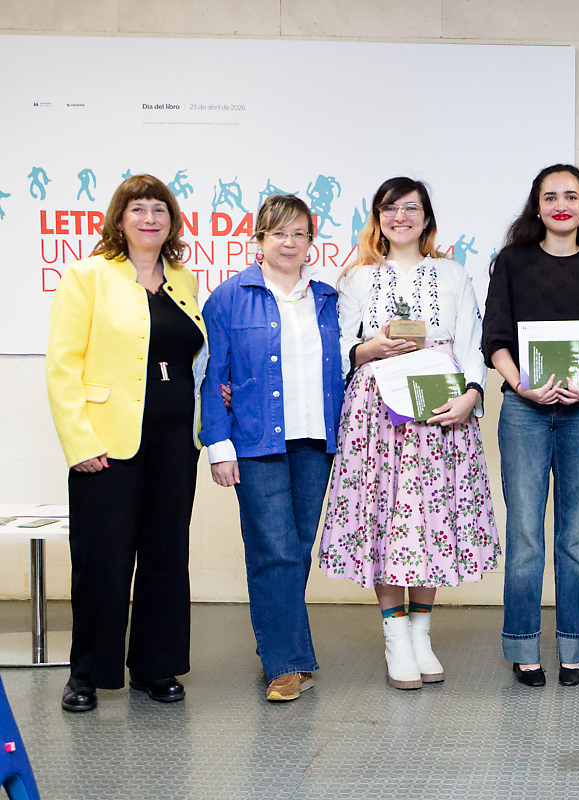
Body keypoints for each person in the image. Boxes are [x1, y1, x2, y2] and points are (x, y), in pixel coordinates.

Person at [318, 177, 498, 690]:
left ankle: (421, 632)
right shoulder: (355, 278)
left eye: (411, 207)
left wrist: (470, 397)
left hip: (440, 409)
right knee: (386, 517)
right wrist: (370, 348)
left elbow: (471, 343)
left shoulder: (452, 273)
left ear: (426, 216)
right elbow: (341, 350)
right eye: (390, 208)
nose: (401, 217)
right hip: (378, 414)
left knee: (430, 518)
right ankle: (395, 636)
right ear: (377, 217)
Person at [46, 174, 208, 712]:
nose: (149, 218)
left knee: (166, 556)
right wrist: (79, 441)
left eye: (159, 209)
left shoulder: (184, 280)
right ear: (120, 220)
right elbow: (63, 365)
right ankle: (88, 674)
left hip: (175, 443)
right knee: (102, 560)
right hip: (105, 446)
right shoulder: (87, 275)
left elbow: (197, 357)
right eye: (137, 209)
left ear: (171, 221)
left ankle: (155, 669)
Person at [482, 164, 579, 687]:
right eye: (550, 196)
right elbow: (494, 337)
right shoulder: (512, 263)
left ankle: (572, 647)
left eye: (571, 196)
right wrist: (522, 385)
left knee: (574, 538)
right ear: (536, 207)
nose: (561, 204)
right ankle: (523, 646)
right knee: (525, 536)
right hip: (524, 411)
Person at [200, 194, 344, 702]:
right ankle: (284, 664)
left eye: (299, 233)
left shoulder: (328, 298)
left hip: (316, 440)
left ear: (311, 241)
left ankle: (290, 653)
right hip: (257, 441)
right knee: (273, 549)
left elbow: (347, 367)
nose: (289, 243)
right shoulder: (228, 298)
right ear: (258, 240)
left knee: (297, 549)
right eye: (278, 233)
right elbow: (212, 376)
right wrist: (218, 443)